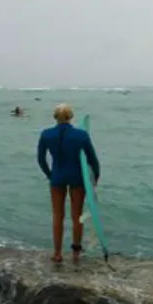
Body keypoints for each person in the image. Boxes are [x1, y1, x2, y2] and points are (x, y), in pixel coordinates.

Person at [36, 103, 100, 264]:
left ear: (55, 117)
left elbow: (41, 159)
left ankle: (57, 253)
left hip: (57, 177)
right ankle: (76, 253)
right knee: (76, 216)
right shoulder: (81, 135)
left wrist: (49, 174)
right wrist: (94, 180)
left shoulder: (46, 134)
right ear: (70, 117)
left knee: (58, 215)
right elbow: (93, 160)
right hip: (77, 178)